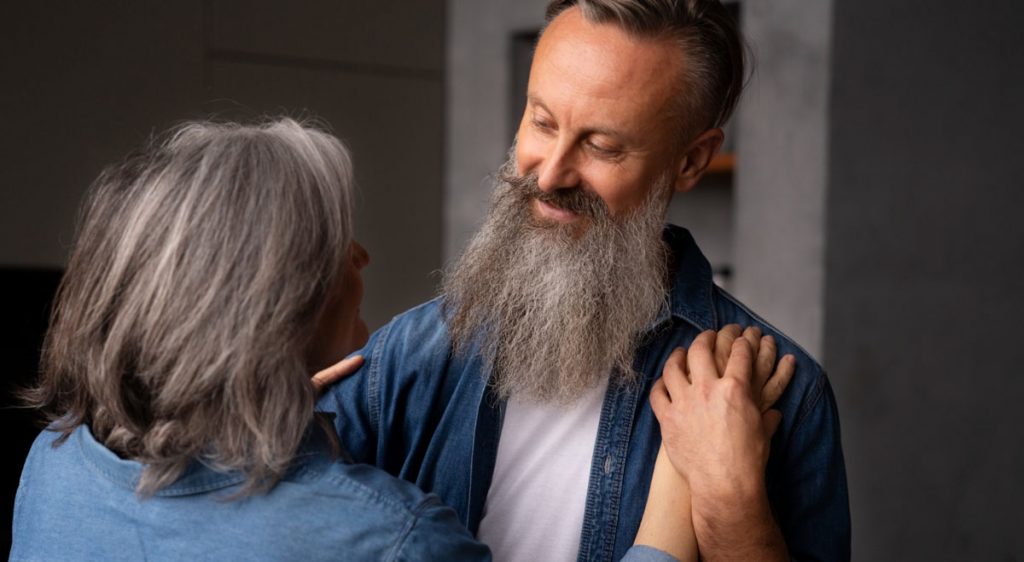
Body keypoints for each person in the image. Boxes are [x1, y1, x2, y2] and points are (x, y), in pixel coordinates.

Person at [11, 118, 762, 562]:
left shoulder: (52, 461)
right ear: (270, 309)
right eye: (333, 249)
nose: (362, 258)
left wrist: (254, 409)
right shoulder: (389, 537)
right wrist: (681, 493)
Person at [317, 1, 850, 561]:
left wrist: (731, 500)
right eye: (542, 122)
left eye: (601, 146)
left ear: (691, 162)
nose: (549, 174)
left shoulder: (785, 396)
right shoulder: (408, 355)